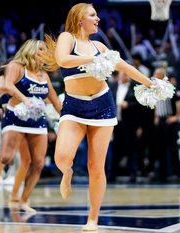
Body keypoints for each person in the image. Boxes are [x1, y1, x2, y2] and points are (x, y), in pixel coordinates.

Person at [43, 3, 154, 231]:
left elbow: (125, 67)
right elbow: (62, 60)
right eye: (93, 15)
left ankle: (92, 218)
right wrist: (92, 61)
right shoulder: (68, 38)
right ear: (80, 18)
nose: (98, 19)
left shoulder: (100, 47)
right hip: (74, 107)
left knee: (96, 166)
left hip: (103, 105)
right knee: (62, 158)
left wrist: (151, 83)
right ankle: (68, 172)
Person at [0, 39, 61, 212]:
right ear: (31, 50)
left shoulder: (44, 76)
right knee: (7, 157)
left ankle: (23, 200)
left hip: (37, 122)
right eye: (41, 49)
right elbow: (6, 84)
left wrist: (69, 119)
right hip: (15, 116)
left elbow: (55, 102)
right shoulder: (17, 66)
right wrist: (25, 100)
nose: (45, 52)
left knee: (37, 163)